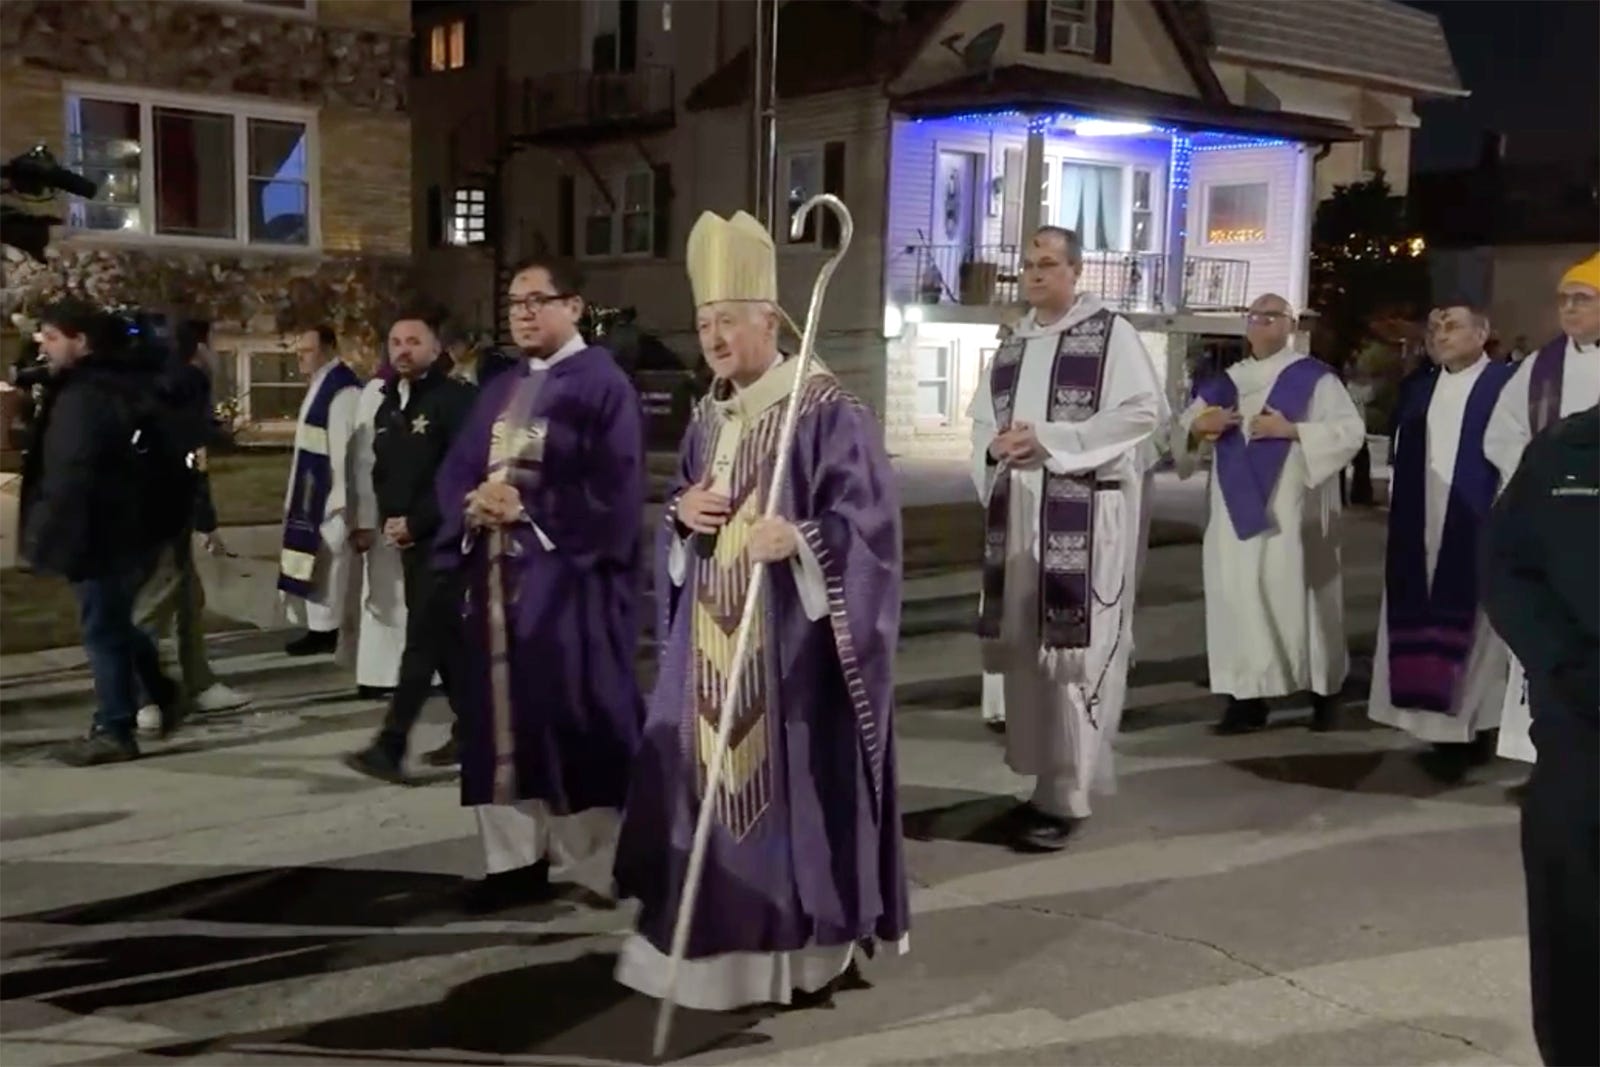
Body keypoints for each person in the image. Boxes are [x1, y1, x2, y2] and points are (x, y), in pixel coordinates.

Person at [613, 210, 909, 1009]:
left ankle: (804, 961)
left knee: (792, 803)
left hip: (790, 659)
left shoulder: (827, 410)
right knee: (700, 794)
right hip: (711, 652)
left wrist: (806, 539)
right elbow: (686, 507)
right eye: (704, 321)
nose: (712, 337)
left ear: (770, 321)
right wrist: (683, 517)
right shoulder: (710, 414)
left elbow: (872, 530)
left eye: (727, 320)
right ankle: (710, 959)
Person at [432, 257, 646, 910]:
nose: (522, 313)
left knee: (575, 724)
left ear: (573, 307)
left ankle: (608, 864)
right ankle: (513, 865)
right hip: (496, 591)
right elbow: (459, 466)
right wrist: (471, 502)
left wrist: (530, 508)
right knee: (497, 728)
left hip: (568, 595)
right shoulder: (502, 387)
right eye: (514, 303)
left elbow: (617, 489)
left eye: (536, 300)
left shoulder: (604, 385)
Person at [967, 225, 1164, 852]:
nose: (1035, 274)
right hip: (1021, 514)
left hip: (1084, 515)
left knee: (1075, 657)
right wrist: (995, 450)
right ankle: (1041, 785)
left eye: (1049, 264)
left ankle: (1069, 796)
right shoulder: (1013, 345)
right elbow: (980, 424)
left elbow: (1142, 413)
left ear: (1077, 272)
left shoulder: (1110, 335)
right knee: (1029, 655)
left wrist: (1051, 442)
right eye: (1029, 263)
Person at [1176, 293, 1366, 734]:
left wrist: (1292, 430)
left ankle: (1323, 695)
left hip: (1294, 509)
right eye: (1254, 316)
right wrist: (1198, 428)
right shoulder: (1225, 383)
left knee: (1304, 600)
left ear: (1291, 325)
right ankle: (1245, 700)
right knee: (1237, 599)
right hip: (1234, 516)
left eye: (1272, 316)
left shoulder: (1314, 379)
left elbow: (1349, 432)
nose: (1260, 322)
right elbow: (1181, 435)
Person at [1481, 403, 1598, 1067]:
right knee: (1574, 929)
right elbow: (1508, 570)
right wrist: (1570, 668)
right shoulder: (1564, 454)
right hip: (1579, 731)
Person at [20, 299, 182, 765]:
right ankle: (158, 689)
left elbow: (73, 471)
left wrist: (45, 534)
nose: (44, 347)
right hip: (121, 526)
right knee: (111, 621)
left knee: (102, 629)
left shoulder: (87, 394)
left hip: (96, 529)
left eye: (53, 338)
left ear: (81, 341)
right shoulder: (110, 383)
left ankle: (114, 727)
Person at [1367, 303, 1512, 781]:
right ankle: (1430, 726)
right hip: (1421, 516)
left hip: (1479, 517)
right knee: (1419, 610)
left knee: (1480, 627)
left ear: (1482, 334)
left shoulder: (1506, 385)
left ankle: (1473, 731)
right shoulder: (1420, 388)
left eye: (1452, 326)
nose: (1440, 334)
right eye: (1434, 328)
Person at [344, 310, 477, 783]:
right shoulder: (388, 404)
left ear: (436, 349)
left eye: (414, 341)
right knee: (447, 643)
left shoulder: (455, 401)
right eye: (396, 341)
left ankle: (391, 744)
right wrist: (388, 519)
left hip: (448, 540)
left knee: (422, 641)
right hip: (410, 543)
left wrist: (418, 523)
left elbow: (462, 475)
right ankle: (477, 731)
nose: (403, 349)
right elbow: (384, 471)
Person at [1485, 250, 1600, 766]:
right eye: (1564, 299)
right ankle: (1543, 759)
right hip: (1551, 526)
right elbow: (1503, 433)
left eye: (1583, 298)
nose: (1569, 308)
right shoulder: (1539, 368)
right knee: (1546, 637)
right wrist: (1542, 483)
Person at [132, 319, 250, 732]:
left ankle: (199, 682)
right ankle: (143, 695)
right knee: (155, 603)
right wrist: (205, 520)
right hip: (165, 510)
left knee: (187, 598)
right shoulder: (188, 384)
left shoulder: (151, 380)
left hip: (148, 507)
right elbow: (190, 457)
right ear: (200, 347)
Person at [278, 325, 362, 657]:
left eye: (307, 351)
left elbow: (345, 449)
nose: (300, 358)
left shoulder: (343, 390)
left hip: (330, 495)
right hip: (311, 490)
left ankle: (328, 630)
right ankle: (318, 628)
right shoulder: (320, 384)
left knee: (331, 566)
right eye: (298, 351)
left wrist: (339, 500)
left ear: (327, 349)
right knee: (317, 564)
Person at [349, 352, 406, 699]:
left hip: (410, 506)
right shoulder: (378, 392)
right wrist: (366, 519)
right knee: (385, 594)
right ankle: (379, 674)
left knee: (403, 595)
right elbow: (363, 460)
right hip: (384, 506)